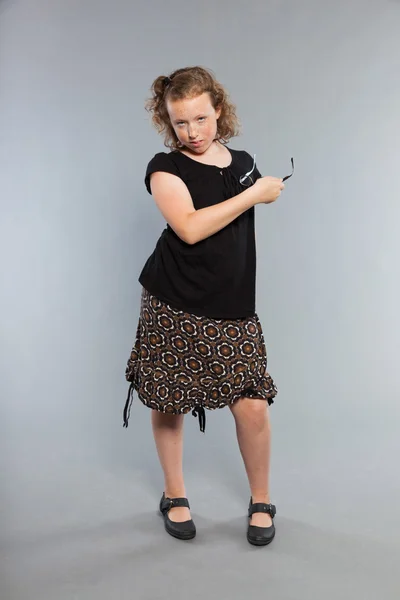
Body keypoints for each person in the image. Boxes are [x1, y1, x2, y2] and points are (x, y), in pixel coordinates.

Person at [123, 65, 287, 546]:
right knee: (168, 399)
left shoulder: (243, 162)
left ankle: (261, 499)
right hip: (173, 298)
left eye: (200, 118)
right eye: (180, 123)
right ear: (167, 123)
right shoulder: (164, 168)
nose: (192, 132)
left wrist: (254, 187)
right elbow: (191, 228)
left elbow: (232, 225)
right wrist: (255, 193)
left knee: (253, 406)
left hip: (232, 304)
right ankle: (175, 494)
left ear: (218, 107)